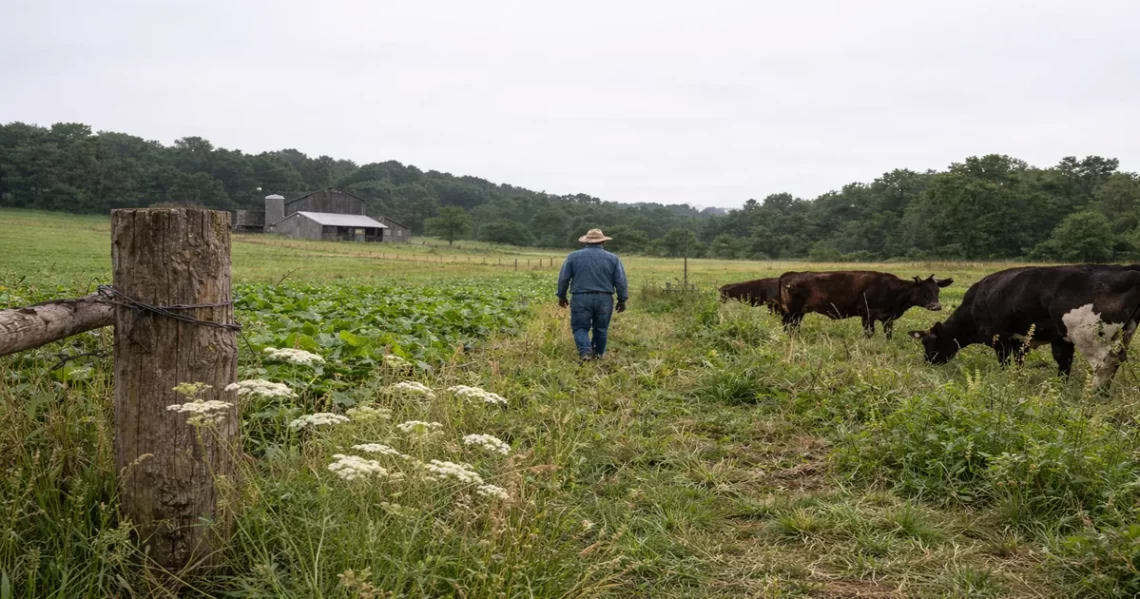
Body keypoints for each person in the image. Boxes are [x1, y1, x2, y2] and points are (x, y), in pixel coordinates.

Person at [556, 228, 629, 360]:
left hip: (580, 297)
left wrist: (562, 296)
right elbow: (621, 282)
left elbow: (564, 278)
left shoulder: (573, 256)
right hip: (604, 298)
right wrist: (622, 300)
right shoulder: (613, 258)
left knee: (580, 328)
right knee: (601, 328)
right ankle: (598, 354)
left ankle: (585, 352)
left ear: (585, 242)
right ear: (603, 242)